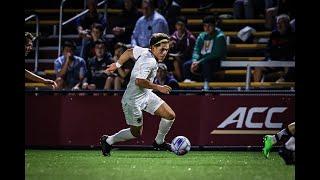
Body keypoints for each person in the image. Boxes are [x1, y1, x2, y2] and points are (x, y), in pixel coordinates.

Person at [100, 33, 175, 156]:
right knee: (136, 133)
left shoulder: (145, 51)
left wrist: (117, 64)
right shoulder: (149, 61)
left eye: (166, 50)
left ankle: (159, 142)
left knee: (170, 115)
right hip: (132, 101)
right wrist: (159, 87)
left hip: (145, 94)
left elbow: (129, 52)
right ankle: (108, 140)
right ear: (153, 48)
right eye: (162, 49)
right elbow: (139, 81)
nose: (164, 52)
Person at [183, 15, 227, 85]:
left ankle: (207, 86)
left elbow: (215, 54)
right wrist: (195, 61)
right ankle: (189, 86)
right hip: (201, 60)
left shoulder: (220, 36)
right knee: (186, 65)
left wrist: (199, 62)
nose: (207, 28)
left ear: (214, 25)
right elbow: (196, 50)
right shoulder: (201, 36)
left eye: (209, 26)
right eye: (205, 26)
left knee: (206, 64)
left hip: (215, 60)